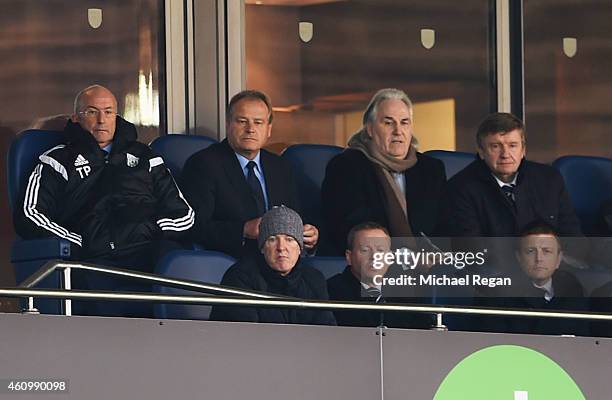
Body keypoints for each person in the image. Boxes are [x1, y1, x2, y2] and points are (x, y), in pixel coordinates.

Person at [13, 85, 194, 313]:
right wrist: (79, 240)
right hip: (92, 260)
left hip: (146, 255)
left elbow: (184, 215)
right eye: (91, 112)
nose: (101, 120)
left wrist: (151, 230)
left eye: (108, 112)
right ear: (76, 118)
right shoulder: (57, 160)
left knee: (178, 288)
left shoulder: (146, 158)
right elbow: (30, 215)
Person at [182, 90, 318, 258]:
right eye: (242, 121)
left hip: (280, 263)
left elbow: (293, 217)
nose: (250, 129)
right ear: (228, 124)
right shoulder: (204, 164)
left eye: (258, 122)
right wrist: (243, 230)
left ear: (269, 129)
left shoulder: (281, 167)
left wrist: (305, 234)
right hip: (233, 263)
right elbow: (193, 226)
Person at [321, 88, 446, 256]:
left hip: (428, 267)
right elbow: (348, 227)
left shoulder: (431, 169)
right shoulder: (347, 166)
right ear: (370, 129)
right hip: (372, 265)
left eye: (404, 122)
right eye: (388, 122)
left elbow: (444, 226)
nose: (398, 130)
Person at [445, 112, 581, 237]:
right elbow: (472, 251)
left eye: (512, 145)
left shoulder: (549, 179)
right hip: (494, 263)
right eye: (495, 146)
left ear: (523, 150)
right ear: (481, 152)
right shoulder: (460, 188)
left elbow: (573, 238)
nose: (505, 155)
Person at [210, 206, 336, 325]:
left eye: (289, 239)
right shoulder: (239, 277)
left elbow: (326, 332)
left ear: (299, 248)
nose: (281, 248)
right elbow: (243, 336)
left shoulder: (314, 279)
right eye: (272, 239)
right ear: (262, 248)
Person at [476, 222, 589, 335]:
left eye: (546, 251)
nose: (539, 258)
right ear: (519, 257)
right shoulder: (496, 291)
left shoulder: (572, 287)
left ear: (558, 259)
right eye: (530, 251)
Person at [327, 222, 433, 328]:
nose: (374, 257)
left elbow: (425, 330)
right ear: (349, 257)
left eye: (381, 250)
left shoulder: (407, 291)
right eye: (365, 250)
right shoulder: (331, 291)